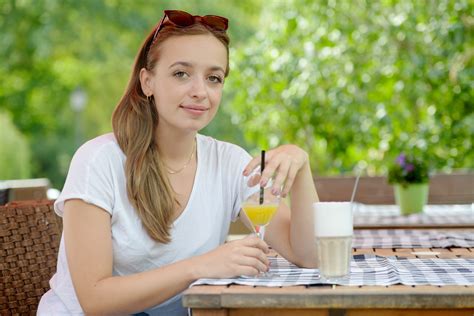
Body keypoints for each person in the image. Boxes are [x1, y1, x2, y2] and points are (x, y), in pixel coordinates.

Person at [38, 9, 318, 315]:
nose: (200, 92)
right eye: (181, 73)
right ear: (148, 82)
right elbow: (96, 300)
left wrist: (301, 168)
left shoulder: (229, 163)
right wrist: (201, 266)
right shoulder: (98, 162)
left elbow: (309, 256)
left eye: (214, 78)